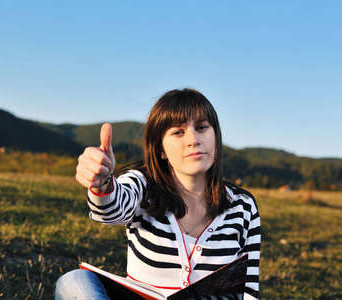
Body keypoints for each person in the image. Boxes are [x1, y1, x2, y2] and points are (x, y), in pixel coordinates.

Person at [55, 88, 261, 299]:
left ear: (215, 137)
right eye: (178, 132)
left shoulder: (243, 205)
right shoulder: (142, 185)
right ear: (161, 149)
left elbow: (249, 289)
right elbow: (110, 210)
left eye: (202, 128)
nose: (193, 139)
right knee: (74, 281)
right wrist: (103, 183)